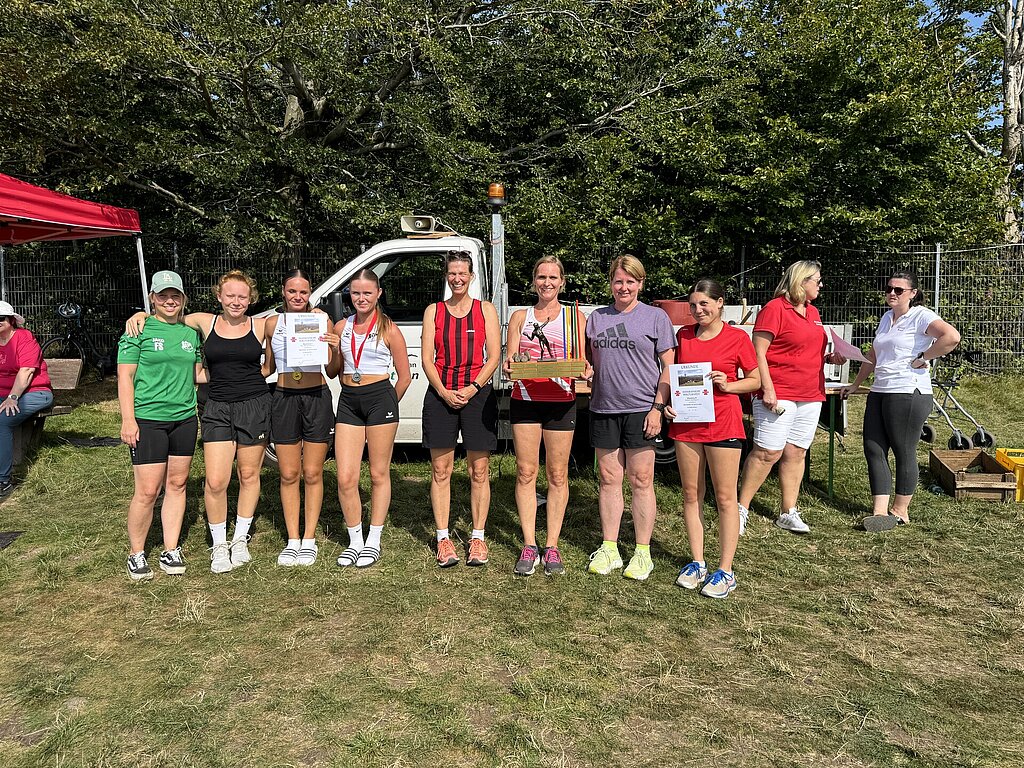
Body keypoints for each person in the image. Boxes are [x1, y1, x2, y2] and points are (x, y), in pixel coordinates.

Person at [127, 269, 270, 573]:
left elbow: (297, 320)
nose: (236, 301)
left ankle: (240, 539)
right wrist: (141, 314)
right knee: (216, 481)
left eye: (242, 297)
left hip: (253, 405)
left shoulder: (262, 325)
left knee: (248, 475)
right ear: (219, 296)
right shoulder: (202, 322)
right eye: (230, 295)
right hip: (216, 407)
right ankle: (219, 545)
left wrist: (318, 315)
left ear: (251, 299)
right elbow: (167, 317)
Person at [662, 279, 760, 599]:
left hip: (723, 424)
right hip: (687, 425)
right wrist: (668, 404)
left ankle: (726, 570)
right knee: (691, 494)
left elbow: (755, 380)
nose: (698, 310)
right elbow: (674, 376)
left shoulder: (737, 337)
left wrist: (729, 385)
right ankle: (697, 562)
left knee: (725, 498)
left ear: (720, 303)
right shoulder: (683, 336)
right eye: (693, 305)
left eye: (704, 303)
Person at [842, 271, 960, 530]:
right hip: (880, 390)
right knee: (873, 447)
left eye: (898, 290)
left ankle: (900, 511)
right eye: (888, 289)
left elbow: (951, 337)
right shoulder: (886, 318)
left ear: (912, 293)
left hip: (908, 391)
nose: (892, 293)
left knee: (903, 449)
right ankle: (879, 512)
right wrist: (856, 384)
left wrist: (924, 357)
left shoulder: (921, 316)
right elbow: (873, 356)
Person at [736, 260, 844, 535]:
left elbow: (803, 350)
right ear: (801, 281)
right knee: (767, 452)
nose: (821, 285)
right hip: (779, 391)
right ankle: (740, 508)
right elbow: (758, 352)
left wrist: (830, 357)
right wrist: (767, 388)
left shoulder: (813, 311)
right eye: (817, 280)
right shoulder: (774, 309)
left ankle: (788, 511)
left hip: (810, 392)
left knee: (796, 452)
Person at [585, 254, 675, 581]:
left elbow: (669, 367)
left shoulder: (655, 317)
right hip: (603, 408)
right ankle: (610, 548)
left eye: (630, 282)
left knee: (641, 480)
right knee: (609, 479)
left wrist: (657, 408)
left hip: (641, 409)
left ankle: (642, 552)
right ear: (610, 283)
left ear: (641, 283)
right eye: (618, 281)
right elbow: (588, 362)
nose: (624, 287)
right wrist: (585, 371)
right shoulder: (596, 318)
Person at [502, 256, 590, 577]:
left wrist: (585, 371)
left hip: (561, 402)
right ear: (534, 281)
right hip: (525, 401)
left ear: (562, 282)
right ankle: (529, 543)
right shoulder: (520, 317)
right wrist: (509, 367)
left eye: (553, 277)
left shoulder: (574, 317)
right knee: (526, 472)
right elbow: (510, 363)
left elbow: (582, 363)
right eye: (541, 277)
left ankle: (551, 545)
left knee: (557, 475)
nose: (547, 283)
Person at [118, 271, 204, 581]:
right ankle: (136, 553)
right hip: (149, 419)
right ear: (152, 298)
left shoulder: (190, 333)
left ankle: (170, 549)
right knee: (148, 490)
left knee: (177, 485)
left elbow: (198, 375)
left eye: (175, 295)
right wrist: (128, 420)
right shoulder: (137, 329)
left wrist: (240, 371)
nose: (170, 300)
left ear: (183, 299)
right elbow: (125, 376)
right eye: (163, 295)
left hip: (185, 418)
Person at [421, 250, 501, 568]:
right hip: (441, 395)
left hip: (477, 395)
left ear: (471, 276)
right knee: (441, 470)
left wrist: (472, 388)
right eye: (452, 273)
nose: (457, 278)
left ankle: (477, 537)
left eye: (462, 273)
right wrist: (443, 391)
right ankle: (443, 538)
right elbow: (427, 359)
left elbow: (493, 356)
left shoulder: (485, 310)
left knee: (478, 470)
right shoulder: (434, 311)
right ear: (447, 276)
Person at [333, 269, 411, 568]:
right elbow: (332, 371)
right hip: (349, 400)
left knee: (378, 474)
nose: (361, 298)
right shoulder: (342, 326)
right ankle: (355, 540)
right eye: (356, 293)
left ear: (378, 294)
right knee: (346, 477)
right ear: (349, 295)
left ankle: (373, 539)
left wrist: (388, 404)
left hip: (380, 399)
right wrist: (333, 350)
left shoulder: (389, 329)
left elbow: (404, 376)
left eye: (367, 292)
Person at [263, 269, 340, 566]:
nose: (298, 296)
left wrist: (334, 348)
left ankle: (309, 539)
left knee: (312, 472)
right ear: (283, 292)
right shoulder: (272, 323)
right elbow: (268, 368)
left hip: (316, 397)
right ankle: (292, 539)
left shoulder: (321, 320)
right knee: (288, 474)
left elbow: (331, 370)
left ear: (310, 294)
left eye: (303, 292)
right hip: (283, 398)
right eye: (292, 291)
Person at [0, 301, 53, 500]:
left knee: (3, 420)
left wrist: (13, 397)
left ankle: (3, 481)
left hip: (34, 392)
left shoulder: (24, 338)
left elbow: (27, 371)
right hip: (5, 394)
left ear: (12, 320)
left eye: (1, 318)